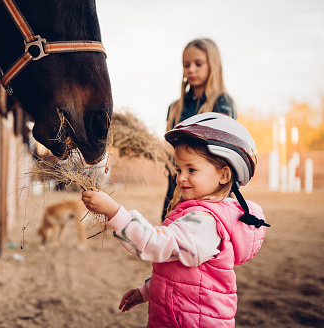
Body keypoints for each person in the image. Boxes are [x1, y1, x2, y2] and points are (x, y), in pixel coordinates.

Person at [82, 113, 269, 328]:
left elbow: (156, 244)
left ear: (224, 175)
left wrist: (114, 212)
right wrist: (146, 292)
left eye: (192, 169)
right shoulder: (193, 214)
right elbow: (180, 273)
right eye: (179, 169)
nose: (180, 177)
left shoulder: (207, 224)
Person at [162, 38, 237, 221]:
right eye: (186, 65)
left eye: (198, 63)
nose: (191, 69)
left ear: (213, 65)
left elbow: (224, 150)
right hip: (177, 185)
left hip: (210, 192)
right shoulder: (175, 107)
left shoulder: (222, 103)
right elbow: (166, 148)